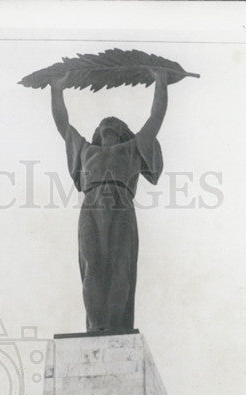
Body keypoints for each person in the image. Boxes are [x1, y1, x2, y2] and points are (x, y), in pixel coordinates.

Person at [49, 68, 169, 333]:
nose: (108, 125)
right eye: (104, 124)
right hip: (91, 205)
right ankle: (97, 326)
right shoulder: (85, 150)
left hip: (120, 205)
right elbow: (62, 125)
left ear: (122, 131)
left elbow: (155, 119)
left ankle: (114, 325)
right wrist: (57, 90)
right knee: (92, 266)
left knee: (118, 268)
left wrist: (161, 81)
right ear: (97, 132)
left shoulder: (132, 148)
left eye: (114, 124)